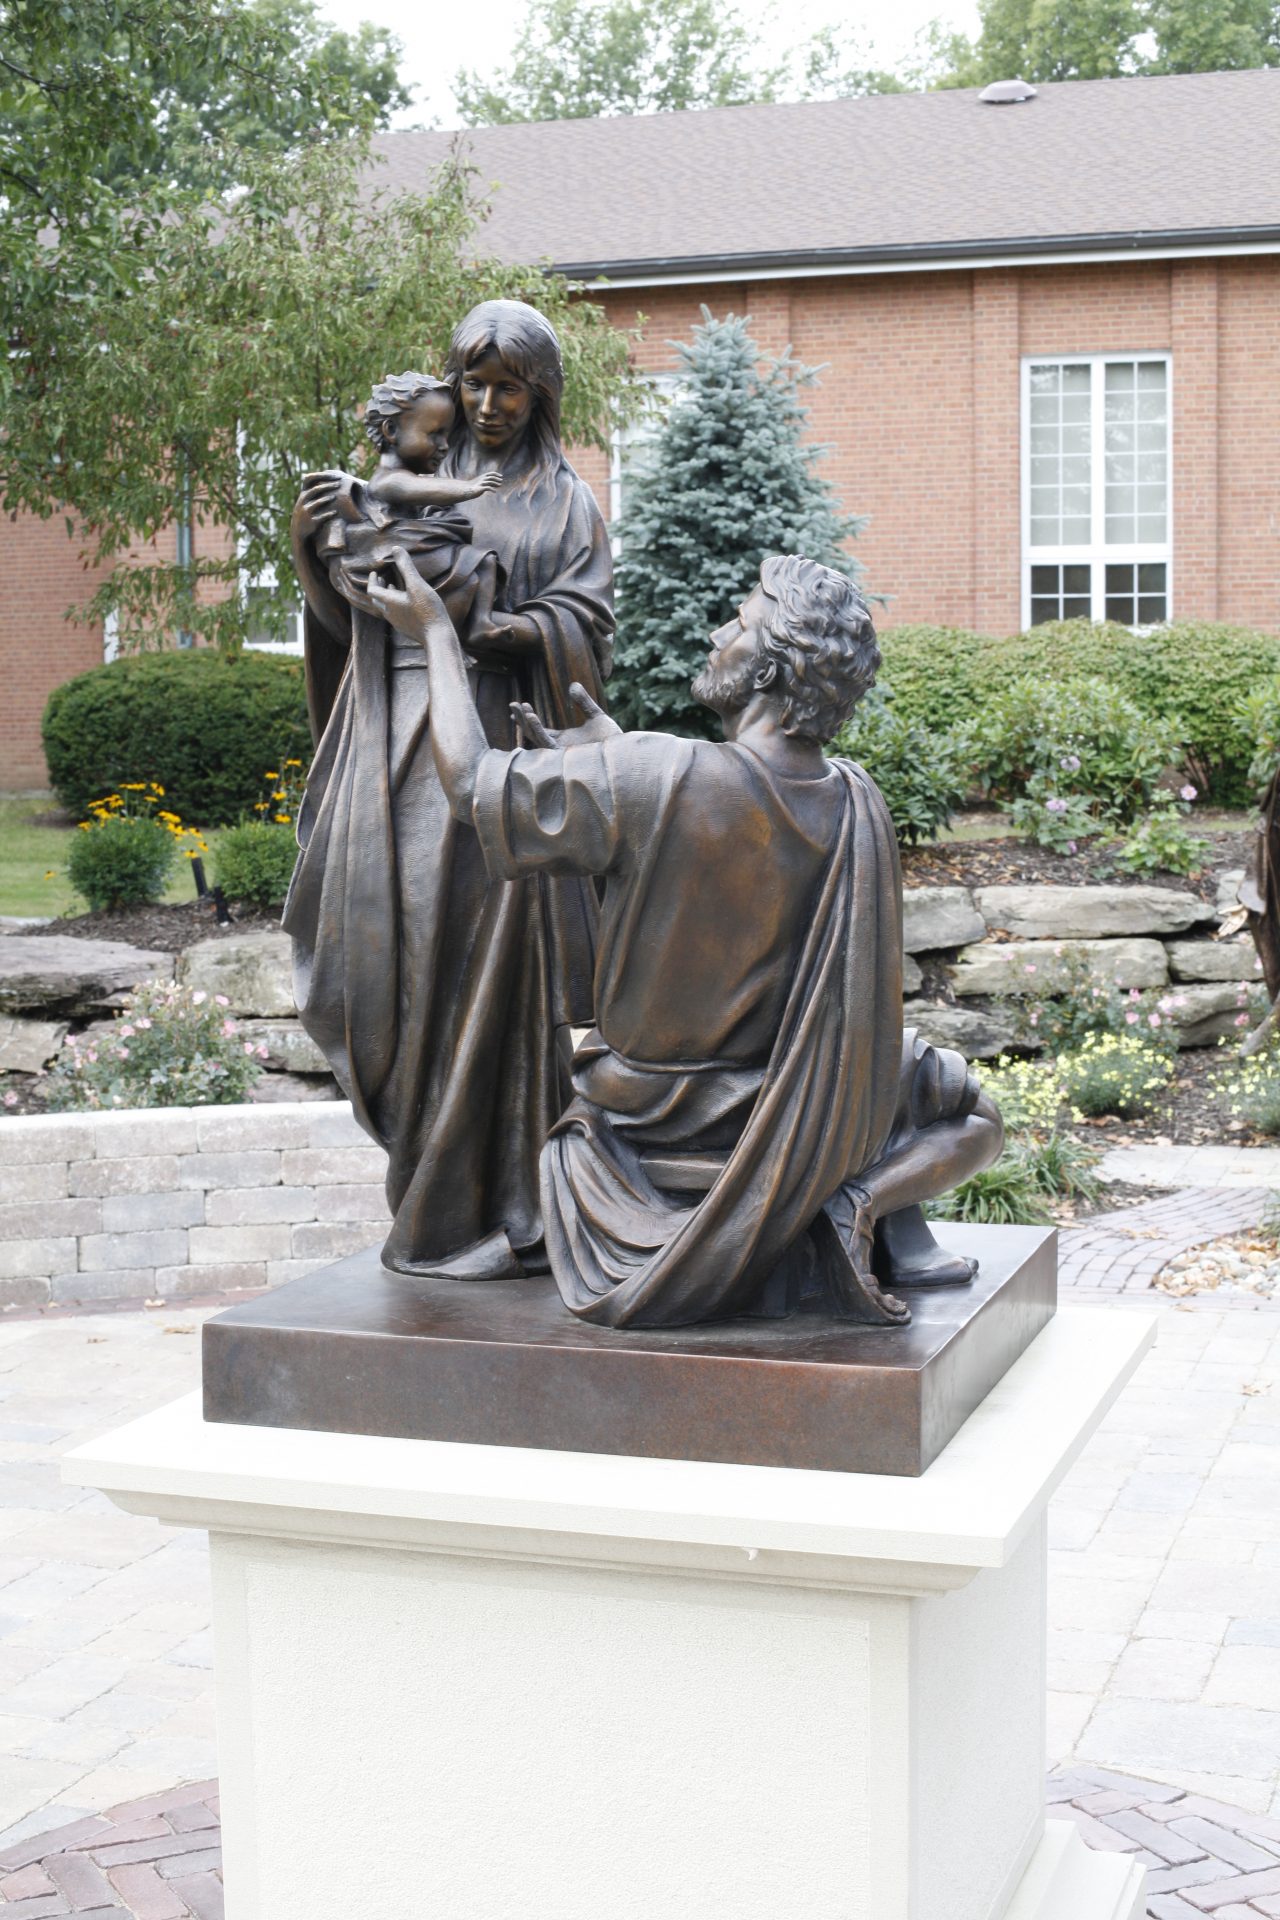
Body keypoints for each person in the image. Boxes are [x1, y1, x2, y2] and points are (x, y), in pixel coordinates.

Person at [367, 547, 1004, 1330]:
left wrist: (432, 630)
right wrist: (612, 757)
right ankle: (864, 1202)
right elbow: (725, 811)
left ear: (768, 671)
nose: (715, 635)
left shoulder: (654, 774)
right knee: (975, 1116)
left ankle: (858, 1209)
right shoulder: (851, 798)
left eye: (738, 623)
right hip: (799, 1088)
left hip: (652, 1107)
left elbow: (468, 783)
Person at [284, 302, 614, 1281]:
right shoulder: (409, 480)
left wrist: (494, 630)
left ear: (540, 392)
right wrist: (312, 554)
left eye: (506, 387)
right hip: (387, 755)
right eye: (472, 385)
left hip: (495, 762)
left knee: (484, 981)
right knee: (382, 967)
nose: (485, 403)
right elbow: (354, 624)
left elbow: (587, 630)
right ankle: (421, 1175)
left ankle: (490, 1209)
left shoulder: (565, 502)